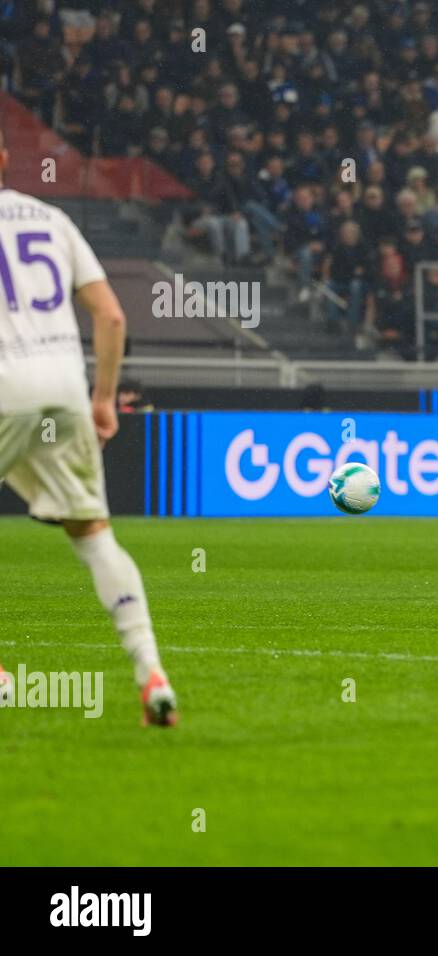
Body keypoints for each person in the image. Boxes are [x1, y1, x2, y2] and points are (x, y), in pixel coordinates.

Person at [0, 129, 178, 725]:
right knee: (94, 534)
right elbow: (110, 313)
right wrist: (104, 398)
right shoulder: (52, 219)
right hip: (64, 389)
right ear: (5, 158)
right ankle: (151, 671)